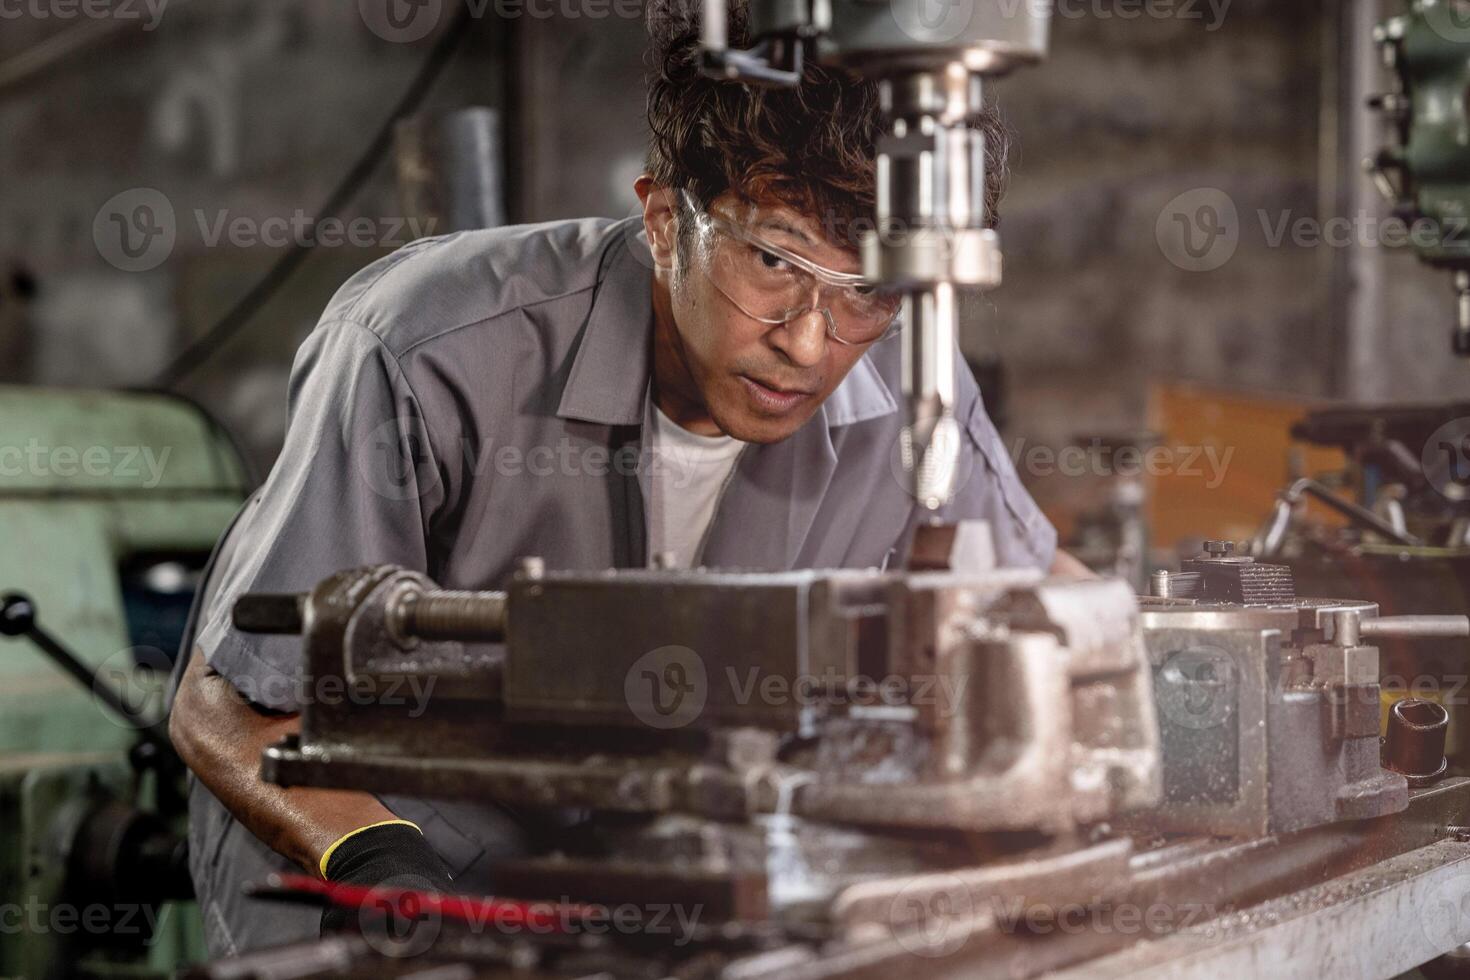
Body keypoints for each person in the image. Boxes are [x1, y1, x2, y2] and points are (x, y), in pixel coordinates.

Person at [168, 0, 1080, 956]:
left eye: (870, 291)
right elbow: (228, 702)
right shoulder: (426, 350)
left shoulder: (914, 386)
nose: (811, 343)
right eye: (772, 261)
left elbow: (1038, 604)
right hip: (389, 889)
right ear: (660, 219)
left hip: (666, 897)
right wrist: (375, 860)